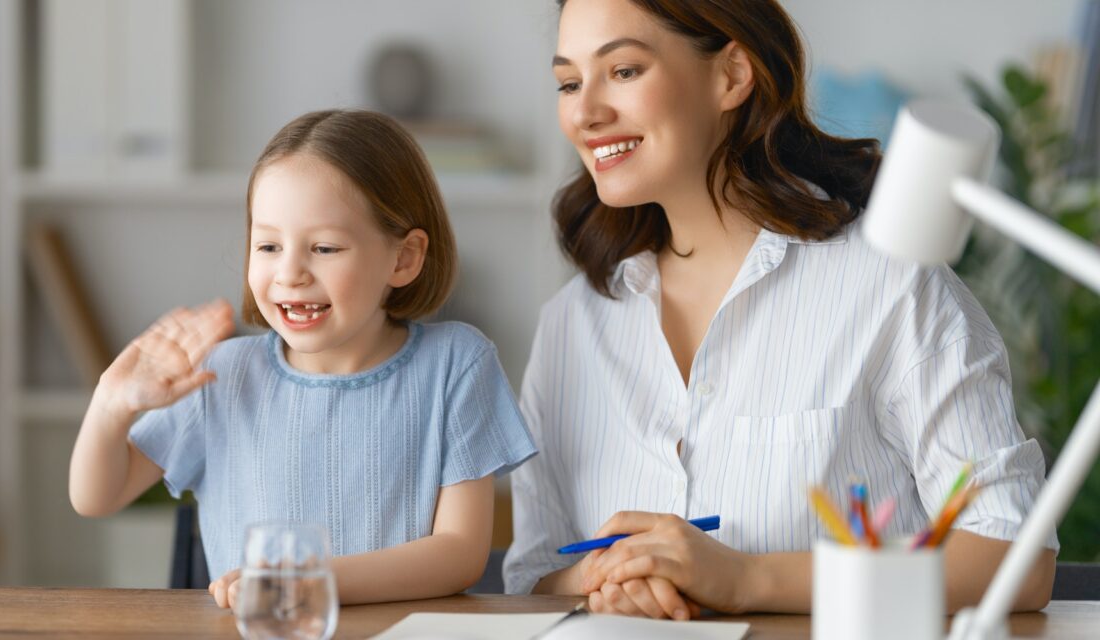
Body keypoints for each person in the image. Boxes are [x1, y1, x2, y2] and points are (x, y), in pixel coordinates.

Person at [502, 0, 1057, 619]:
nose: (585, 112)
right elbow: (533, 574)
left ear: (732, 76)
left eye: (624, 71)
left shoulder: (892, 284)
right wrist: (609, 575)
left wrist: (746, 578)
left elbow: (1016, 555)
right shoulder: (570, 325)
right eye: (569, 83)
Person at [68, 109, 536, 608]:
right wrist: (111, 402)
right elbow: (97, 496)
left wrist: (311, 580)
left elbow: (460, 554)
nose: (290, 272)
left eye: (325, 248)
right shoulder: (223, 374)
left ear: (404, 258)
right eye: (268, 244)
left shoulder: (456, 365)